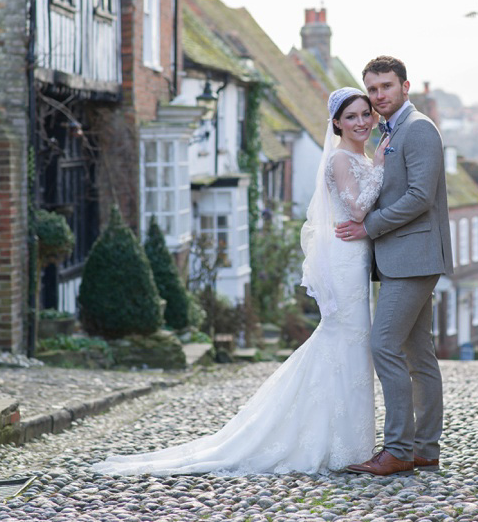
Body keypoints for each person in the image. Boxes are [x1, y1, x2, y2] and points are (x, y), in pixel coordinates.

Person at [90, 87, 389, 476]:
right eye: (351, 116)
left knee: (351, 341)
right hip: (345, 256)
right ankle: (333, 442)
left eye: (366, 113)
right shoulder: (339, 159)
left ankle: (347, 439)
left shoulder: (360, 155)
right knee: (345, 337)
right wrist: (381, 166)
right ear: (336, 122)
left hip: (355, 254)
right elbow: (357, 207)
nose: (362, 122)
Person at [336, 55, 453, 477]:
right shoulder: (392, 131)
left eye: (386, 86)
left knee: (383, 345)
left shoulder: (418, 129)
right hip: (404, 258)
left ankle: (399, 449)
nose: (378, 95)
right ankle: (425, 449)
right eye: (372, 88)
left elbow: (421, 196)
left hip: (414, 258)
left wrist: (369, 227)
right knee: (419, 355)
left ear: (405, 87)